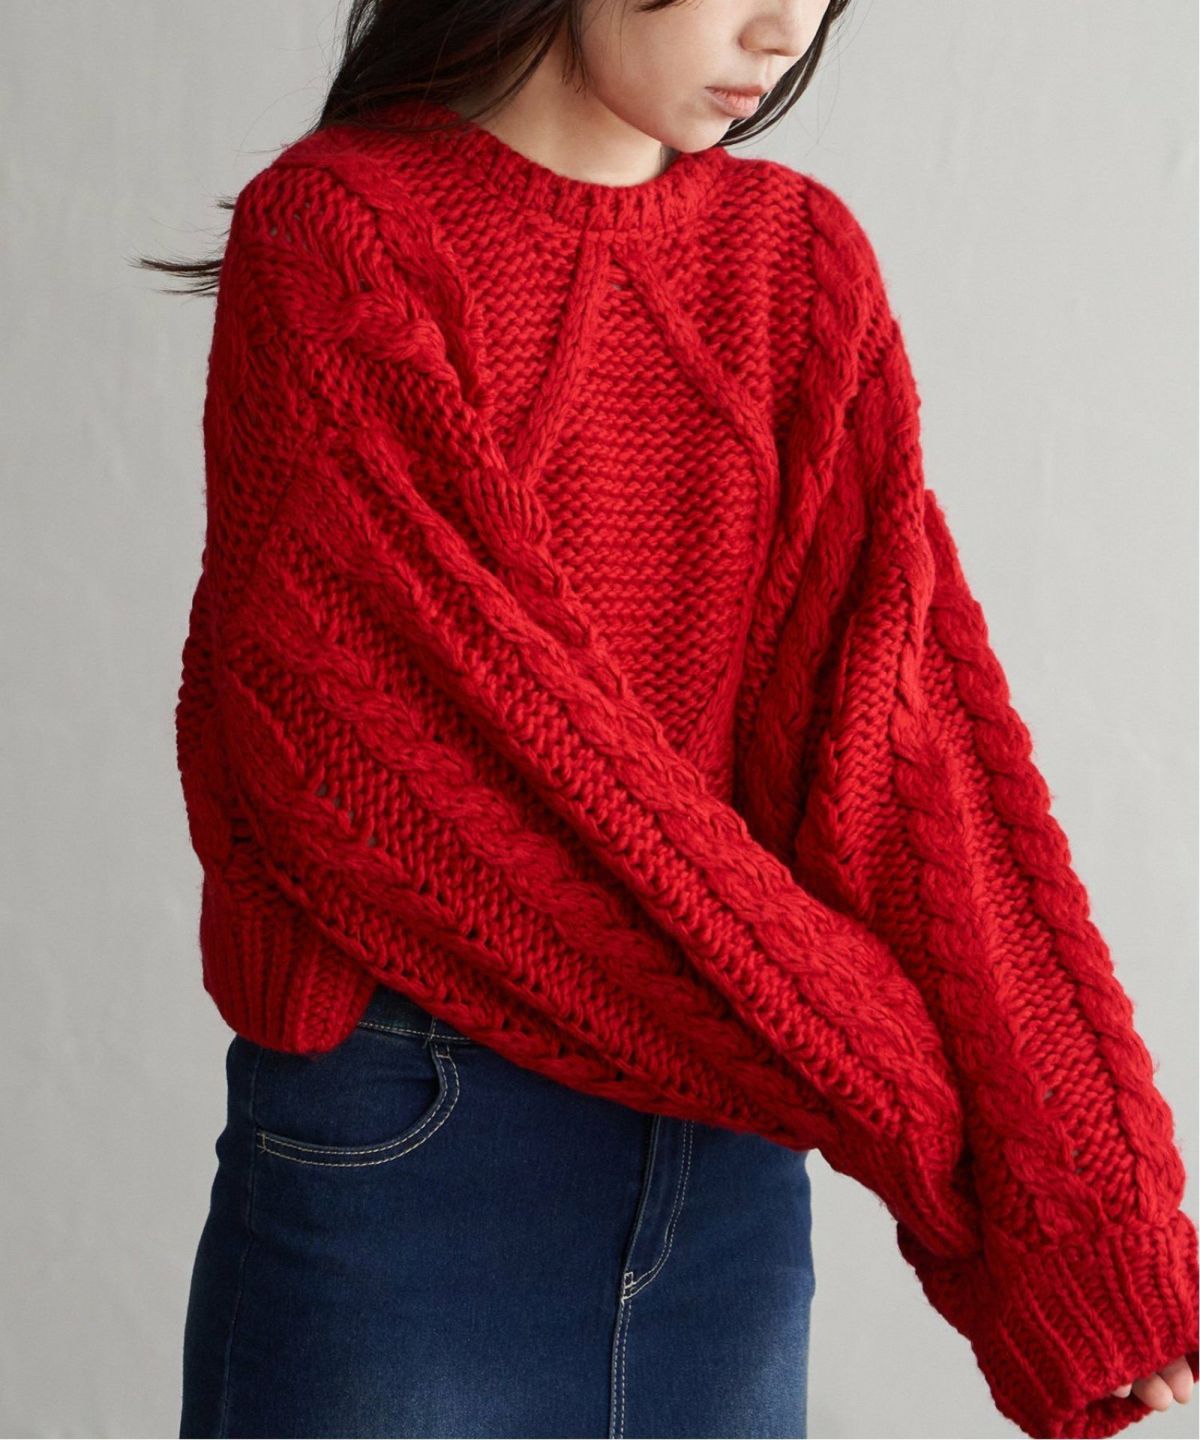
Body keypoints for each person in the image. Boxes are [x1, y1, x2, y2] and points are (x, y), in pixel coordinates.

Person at [140, 2, 1198, 1436]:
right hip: (421, 1152)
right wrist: (880, 1071)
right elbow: (411, 761)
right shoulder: (340, 231)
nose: (783, 29)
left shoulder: (793, 260)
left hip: (731, 1166)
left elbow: (903, 744)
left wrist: (1094, 1203)